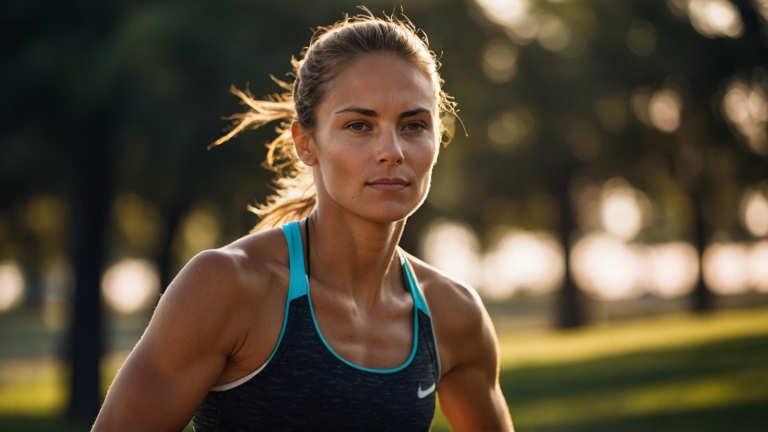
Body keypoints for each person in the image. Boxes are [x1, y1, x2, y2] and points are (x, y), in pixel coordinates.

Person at [93, 9, 513, 432]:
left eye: (413, 125)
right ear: (306, 143)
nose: (392, 151)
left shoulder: (452, 314)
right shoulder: (227, 287)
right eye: (359, 125)